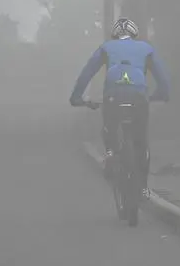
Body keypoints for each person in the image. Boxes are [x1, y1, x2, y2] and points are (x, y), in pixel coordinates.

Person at [69, 17, 170, 197]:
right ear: (134, 34)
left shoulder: (106, 47)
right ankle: (144, 188)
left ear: (116, 35)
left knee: (109, 127)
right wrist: (161, 95)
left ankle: (109, 152)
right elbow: (162, 77)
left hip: (113, 96)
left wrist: (77, 97)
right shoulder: (146, 49)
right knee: (140, 141)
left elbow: (87, 72)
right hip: (139, 96)